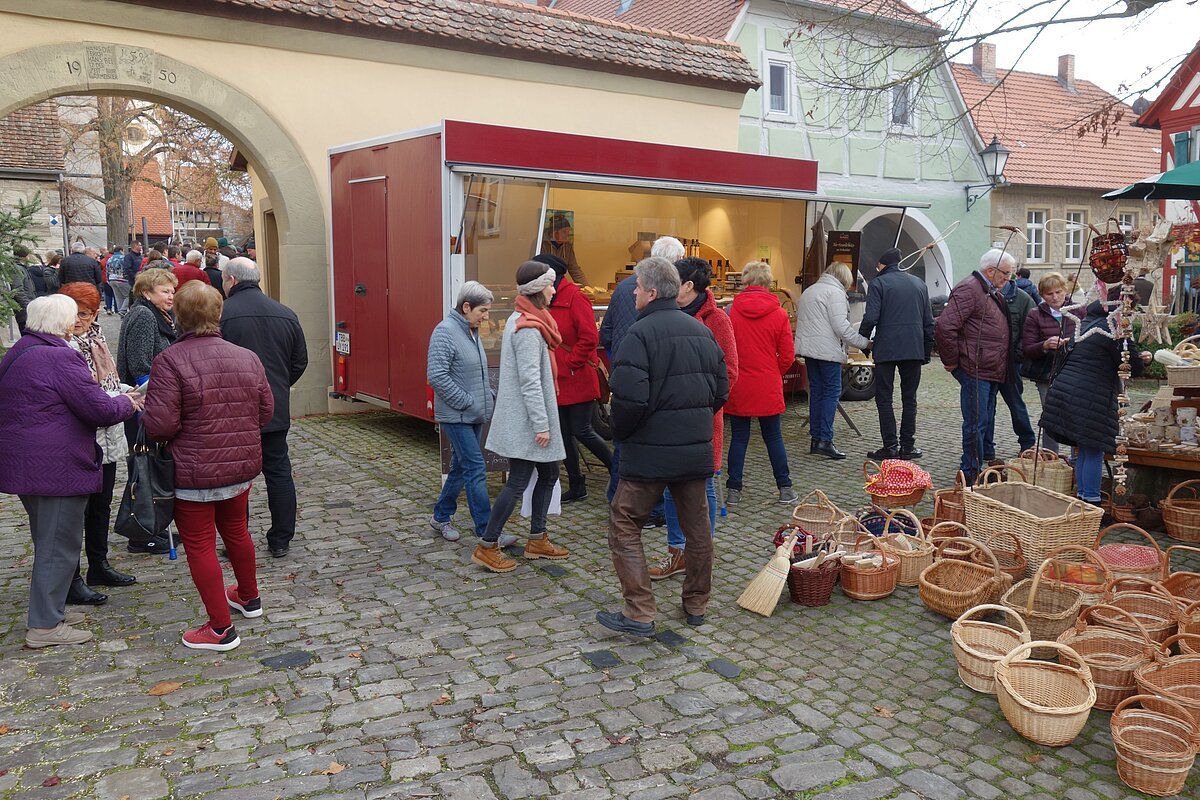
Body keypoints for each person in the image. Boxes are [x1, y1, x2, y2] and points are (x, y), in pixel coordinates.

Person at [0, 295, 142, 648]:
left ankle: (53, 609)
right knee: (57, 545)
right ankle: (45, 626)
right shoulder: (61, 356)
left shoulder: (21, 349)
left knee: (49, 539)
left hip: (28, 461)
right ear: (62, 323)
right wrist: (129, 402)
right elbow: (98, 410)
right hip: (55, 466)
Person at [597, 256, 729, 636]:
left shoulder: (638, 336)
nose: (633, 292)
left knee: (624, 522)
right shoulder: (702, 332)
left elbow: (628, 401)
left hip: (649, 454)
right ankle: (696, 604)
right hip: (692, 451)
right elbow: (720, 391)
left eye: (637, 286)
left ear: (652, 292)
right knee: (698, 528)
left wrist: (622, 433)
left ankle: (639, 611)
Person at [143, 282, 273, 651]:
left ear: (179, 317)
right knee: (237, 531)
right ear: (218, 313)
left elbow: (161, 425)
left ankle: (220, 628)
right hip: (239, 465)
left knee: (200, 544)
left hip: (194, 469)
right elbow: (266, 411)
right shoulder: (247, 357)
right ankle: (248, 596)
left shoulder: (169, 360)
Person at [473, 261, 570, 573]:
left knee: (550, 473)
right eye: (550, 285)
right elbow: (530, 381)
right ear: (538, 289)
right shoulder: (528, 327)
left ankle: (537, 539)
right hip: (528, 422)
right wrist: (541, 424)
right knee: (517, 482)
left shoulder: (532, 320)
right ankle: (487, 546)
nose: (554, 290)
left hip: (530, 420)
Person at [647, 258, 737, 580]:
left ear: (688, 286)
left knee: (704, 489)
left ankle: (701, 555)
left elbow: (729, 374)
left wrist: (698, 407)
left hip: (702, 423)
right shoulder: (669, 315)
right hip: (671, 422)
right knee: (672, 488)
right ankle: (676, 551)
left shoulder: (717, 320)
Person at [220, 258, 308, 558]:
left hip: (232, 410)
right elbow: (299, 362)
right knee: (279, 471)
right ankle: (281, 538)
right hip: (274, 408)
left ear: (231, 280)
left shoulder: (222, 315)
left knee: (235, 477)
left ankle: (236, 540)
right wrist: (278, 387)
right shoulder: (285, 313)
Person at [59, 282, 139, 601]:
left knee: (101, 504)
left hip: (107, 432)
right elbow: (80, 394)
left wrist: (124, 389)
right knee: (75, 509)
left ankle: (99, 563)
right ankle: (71, 576)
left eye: (87, 313)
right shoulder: (62, 346)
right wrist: (117, 399)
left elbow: (105, 380)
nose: (80, 319)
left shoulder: (97, 337)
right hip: (80, 436)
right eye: (74, 312)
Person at [600, 236, 683, 513]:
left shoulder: (624, 287)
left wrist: (617, 362)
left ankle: (617, 494)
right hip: (653, 375)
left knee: (626, 434)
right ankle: (652, 506)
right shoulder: (673, 297)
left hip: (625, 371)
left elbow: (607, 332)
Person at [1041, 301, 1149, 505]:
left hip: (1069, 389)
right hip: (1090, 395)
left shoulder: (1088, 320)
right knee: (1093, 449)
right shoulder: (1115, 326)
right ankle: (1091, 503)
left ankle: (1083, 499)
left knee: (1086, 448)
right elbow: (1131, 366)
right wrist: (1145, 360)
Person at [936, 249, 1015, 485]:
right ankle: (970, 472)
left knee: (984, 420)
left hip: (990, 367)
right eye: (1006, 274)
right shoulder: (970, 288)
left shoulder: (988, 289)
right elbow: (945, 327)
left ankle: (979, 464)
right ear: (990, 271)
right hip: (975, 367)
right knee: (975, 422)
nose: (1008, 279)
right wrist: (951, 362)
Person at [539, 252, 612, 502]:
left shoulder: (575, 298)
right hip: (556, 380)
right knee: (562, 433)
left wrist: (571, 363)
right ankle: (576, 484)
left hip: (577, 377)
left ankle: (618, 471)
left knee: (582, 430)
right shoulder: (546, 299)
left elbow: (590, 337)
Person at [723, 260, 797, 506]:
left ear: (745, 281)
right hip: (767, 383)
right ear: (768, 282)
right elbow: (787, 355)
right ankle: (785, 487)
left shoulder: (731, 311)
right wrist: (773, 372)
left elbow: (724, 350)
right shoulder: (778, 314)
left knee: (739, 437)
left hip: (740, 383)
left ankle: (733, 489)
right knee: (773, 437)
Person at [426, 281, 495, 542]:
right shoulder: (444, 332)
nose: (486, 316)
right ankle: (487, 531)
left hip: (474, 412)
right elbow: (437, 375)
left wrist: (486, 398)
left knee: (460, 466)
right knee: (476, 468)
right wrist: (466, 401)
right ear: (466, 307)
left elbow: (474, 371)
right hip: (457, 415)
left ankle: (440, 516)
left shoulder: (470, 330)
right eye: (483, 311)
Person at [858, 247, 935, 460]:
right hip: (913, 348)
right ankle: (908, 447)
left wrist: (863, 342)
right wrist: (926, 350)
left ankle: (890, 446)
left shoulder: (878, 283)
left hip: (887, 349)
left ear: (882, 265)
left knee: (884, 398)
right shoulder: (919, 284)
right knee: (910, 399)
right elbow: (929, 322)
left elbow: (871, 317)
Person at [116, 268, 179, 524]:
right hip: (144, 401)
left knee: (151, 467)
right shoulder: (143, 315)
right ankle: (143, 527)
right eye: (165, 291)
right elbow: (140, 365)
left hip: (152, 399)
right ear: (146, 293)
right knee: (144, 468)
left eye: (172, 290)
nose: (171, 296)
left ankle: (151, 522)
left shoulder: (160, 314)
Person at [796, 262, 871, 460]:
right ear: (844, 279)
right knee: (831, 393)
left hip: (810, 351)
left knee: (817, 393)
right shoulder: (835, 293)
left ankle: (816, 439)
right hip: (827, 352)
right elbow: (842, 328)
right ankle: (825, 440)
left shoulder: (809, 291)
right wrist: (865, 343)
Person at [983, 271, 1037, 461]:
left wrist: (1018, 355)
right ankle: (986, 448)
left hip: (1011, 363)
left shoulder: (1022, 299)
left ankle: (1027, 443)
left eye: (1005, 273)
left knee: (1016, 404)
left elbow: (1030, 330)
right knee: (987, 407)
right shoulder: (983, 295)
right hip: (988, 362)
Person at [1022, 272, 1077, 455]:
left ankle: (1076, 457)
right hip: (1047, 373)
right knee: (1051, 416)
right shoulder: (1035, 314)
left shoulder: (1077, 310)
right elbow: (1028, 348)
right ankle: (1050, 457)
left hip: (1073, 372)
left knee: (1075, 415)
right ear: (1042, 295)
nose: (1055, 297)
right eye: (1049, 294)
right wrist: (1044, 345)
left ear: (1065, 291)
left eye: (1058, 292)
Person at [540, 214, 586, 285]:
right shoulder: (542, 244)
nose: (567, 235)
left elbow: (574, 269)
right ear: (555, 232)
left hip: (560, 283)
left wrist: (587, 288)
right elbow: (538, 269)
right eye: (564, 232)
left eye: (568, 232)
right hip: (544, 284)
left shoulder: (567, 246)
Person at [106, 246, 131, 314]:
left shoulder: (110, 259)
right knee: (129, 295)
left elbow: (107, 270)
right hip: (121, 279)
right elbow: (126, 268)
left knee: (118, 297)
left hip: (112, 279)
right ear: (121, 250)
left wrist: (108, 280)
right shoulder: (123, 258)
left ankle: (121, 311)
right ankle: (123, 310)